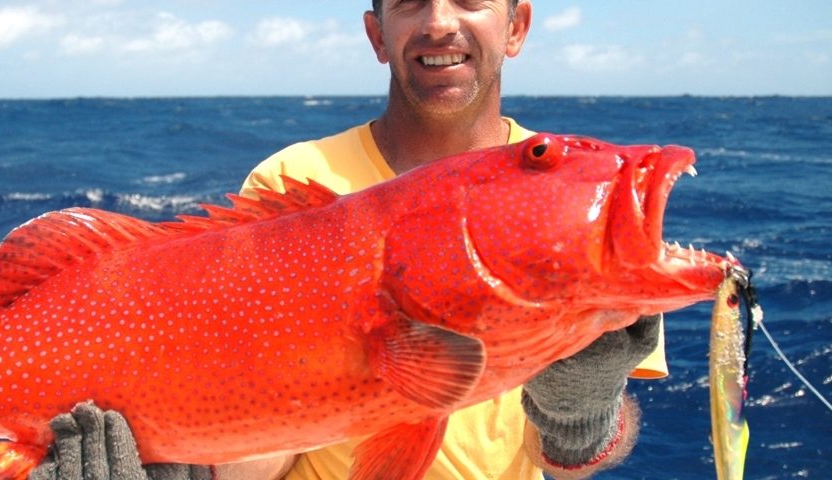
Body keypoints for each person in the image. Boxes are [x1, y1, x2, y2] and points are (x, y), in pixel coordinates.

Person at [34, 1, 667, 479]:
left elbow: (571, 464)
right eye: (411, 1)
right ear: (377, 34)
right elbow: (269, 444)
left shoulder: (581, 202)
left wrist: (581, 416)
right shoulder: (291, 184)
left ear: (517, 26)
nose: (440, 22)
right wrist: (175, 461)